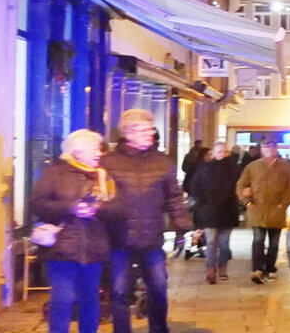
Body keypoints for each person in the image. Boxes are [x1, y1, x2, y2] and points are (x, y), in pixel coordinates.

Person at [100, 109, 192, 333]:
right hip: (119, 238)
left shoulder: (161, 162)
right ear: (128, 133)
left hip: (151, 238)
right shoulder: (108, 162)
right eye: (143, 130)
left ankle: (158, 329)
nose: (150, 134)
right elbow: (100, 197)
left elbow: (173, 196)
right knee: (120, 291)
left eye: (150, 129)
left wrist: (182, 225)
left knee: (159, 287)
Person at [30, 130, 115, 333]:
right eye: (94, 149)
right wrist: (71, 207)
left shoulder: (104, 176)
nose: (99, 153)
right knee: (63, 298)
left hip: (94, 245)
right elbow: (36, 204)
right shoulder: (55, 174)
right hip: (62, 246)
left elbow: (117, 208)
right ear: (77, 151)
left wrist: (98, 209)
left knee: (90, 298)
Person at [236, 140, 290, 284]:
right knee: (258, 240)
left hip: (276, 210)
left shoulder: (285, 167)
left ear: (276, 149)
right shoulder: (252, 167)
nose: (269, 149)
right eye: (265, 147)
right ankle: (257, 269)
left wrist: (283, 203)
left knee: (274, 242)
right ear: (261, 150)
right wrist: (247, 201)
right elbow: (241, 186)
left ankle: (270, 268)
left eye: (271, 147)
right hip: (257, 210)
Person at [186, 143, 244, 284]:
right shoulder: (204, 168)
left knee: (224, 243)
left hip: (227, 211)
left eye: (224, 151)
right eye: (219, 151)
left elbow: (239, 187)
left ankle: (222, 267)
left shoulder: (234, 169)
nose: (222, 154)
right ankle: (211, 268)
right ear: (213, 153)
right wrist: (202, 202)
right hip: (209, 211)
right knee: (211, 241)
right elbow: (194, 186)